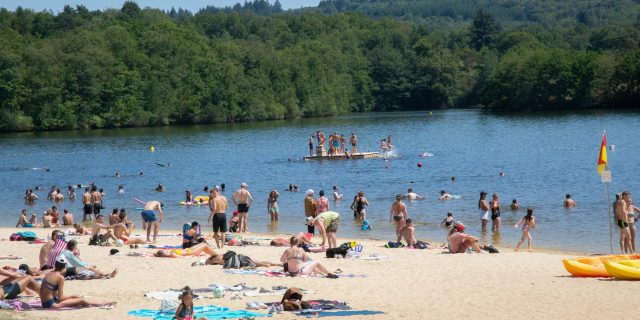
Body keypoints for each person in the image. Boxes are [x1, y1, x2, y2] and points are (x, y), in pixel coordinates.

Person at [39, 258, 116, 309]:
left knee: (75, 299)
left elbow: (47, 292)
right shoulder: (60, 277)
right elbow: (61, 298)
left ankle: (99, 302)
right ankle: (104, 303)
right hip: (51, 305)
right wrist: (73, 295)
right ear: (64, 267)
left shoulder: (49, 274)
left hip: (44, 302)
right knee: (82, 300)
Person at [154, 243, 219, 258]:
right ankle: (217, 255)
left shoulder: (171, 253)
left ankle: (216, 255)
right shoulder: (171, 254)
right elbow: (182, 257)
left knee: (202, 243)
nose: (166, 250)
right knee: (205, 246)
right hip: (191, 252)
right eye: (164, 251)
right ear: (164, 253)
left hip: (189, 250)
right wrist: (191, 256)